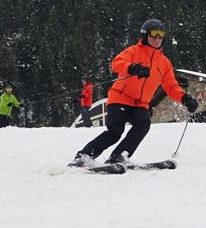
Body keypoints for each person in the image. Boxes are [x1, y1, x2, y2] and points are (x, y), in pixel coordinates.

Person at [69, 19, 198, 166]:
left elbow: (171, 86)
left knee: (143, 125)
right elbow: (116, 63)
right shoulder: (133, 51)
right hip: (120, 98)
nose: (157, 38)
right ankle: (83, 157)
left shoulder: (164, 63)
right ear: (145, 35)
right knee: (115, 132)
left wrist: (185, 99)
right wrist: (133, 68)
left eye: (161, 35)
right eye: (154, 34)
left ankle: (118, 156)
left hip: (140, 104)